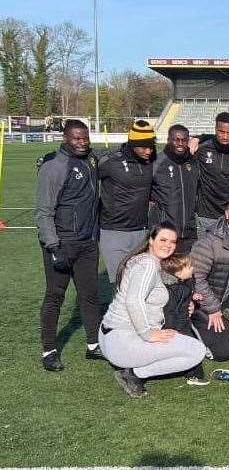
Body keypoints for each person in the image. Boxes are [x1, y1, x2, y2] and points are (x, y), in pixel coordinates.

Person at [98, 223, 207, 397]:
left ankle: (133, 366)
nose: (168, 245)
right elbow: (134, 302)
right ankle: (133, 375)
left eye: (172, 241)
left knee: (181, 343)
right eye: (163, 239)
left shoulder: (142, 259)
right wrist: (148, 334)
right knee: (197, 351)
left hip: (109, 335)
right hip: (122, 342)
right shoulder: (148, 264)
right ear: (151, 240)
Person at [35, 119, 103, 369]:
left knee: (90, 296)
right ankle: (49, 350)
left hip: (87, 244)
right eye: (76, 138)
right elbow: (43, 212)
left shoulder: (91, 159)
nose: (82, 142)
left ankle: (94, 346)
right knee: (55, 296)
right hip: (61, 244)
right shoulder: (53, 167)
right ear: (65, 138)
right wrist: (53, 246)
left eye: (85, 137)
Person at [189, 198, 229, 362]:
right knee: (222, 354)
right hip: (204, 303)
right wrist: (213, 309)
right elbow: (197, 278)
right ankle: (190, 326)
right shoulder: (209, 242)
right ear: (226, 215)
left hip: (226, 298)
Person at [98, 120, 156, 284]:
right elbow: (86, 161)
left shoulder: (151, 160)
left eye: (151, 146)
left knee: (140, 284)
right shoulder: (110, 162)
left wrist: (199, 139)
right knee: (121, 285)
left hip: (141, 233)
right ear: (133, 144)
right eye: (144, 146)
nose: (148, 150)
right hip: (114, 233)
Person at [150, 124, 199, 253]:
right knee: (164, 272)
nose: (180, 143)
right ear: (168, 140)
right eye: (176, 139)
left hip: (189, 232)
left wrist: (200, 138)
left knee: (186, 271)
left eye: (184, 140)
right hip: (165, 232)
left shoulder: (193, 162)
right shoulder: (157, 163)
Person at [159, 253, 208, 385]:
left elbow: (186, 296)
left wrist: (193, 296)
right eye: (189, 266)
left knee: (191, 346)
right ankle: (194, 375)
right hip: (177, 326)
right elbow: (169, 311)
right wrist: (173, 328)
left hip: (184, 323)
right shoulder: (172, 290)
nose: (193, 268)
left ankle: (192, 373)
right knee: (191, 347)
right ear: (179, 272)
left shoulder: (183, 283)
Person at [195, 112, 229, 233]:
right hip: (205, 213)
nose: (225, 136)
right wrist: (198, 138)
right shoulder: (202, 148)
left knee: (225, 250)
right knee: (205, 250)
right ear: (216, 129)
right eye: (221, 132)